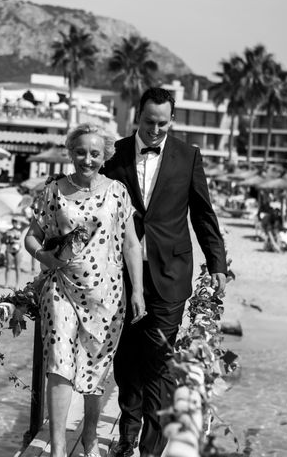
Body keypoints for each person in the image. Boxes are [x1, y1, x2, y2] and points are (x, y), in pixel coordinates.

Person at [102, 87, 227, 457]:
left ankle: (148, 450)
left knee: (157, 360)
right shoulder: (114, 154)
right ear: (137, 117)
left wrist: (217, 262)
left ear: (172, 120)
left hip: (171, 274)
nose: (155, 130)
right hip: (121, 275)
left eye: (162, 123)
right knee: (126, 361)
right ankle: (128, 434)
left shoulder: (189, 157)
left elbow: (203, 214)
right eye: (148, 122)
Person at [24, 123, 145, 457]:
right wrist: (43, 256)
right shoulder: (53, 191)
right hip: (60, 289)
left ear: (105, 155)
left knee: (96, 367)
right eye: (80, 152)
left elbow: (132, 245)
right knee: (59, 364)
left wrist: (137, 292)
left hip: (106, 295)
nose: (87, 159)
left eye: (94, 153)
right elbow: (31, 236)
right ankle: (59, 448)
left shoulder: (118, 192)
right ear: (71, 152)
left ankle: (90, 434)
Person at [2, 218, 24, 289]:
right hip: (9, 250)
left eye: (16, 222)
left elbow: (27, 224)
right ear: (12, 223)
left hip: (18, 251)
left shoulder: (20, 230)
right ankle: (6, 283)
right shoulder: (8, 231)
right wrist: (8, 239)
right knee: (8, 267)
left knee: (17, 268)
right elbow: (4, 241)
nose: (15, 223)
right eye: (14, 222)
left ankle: (17, 284)